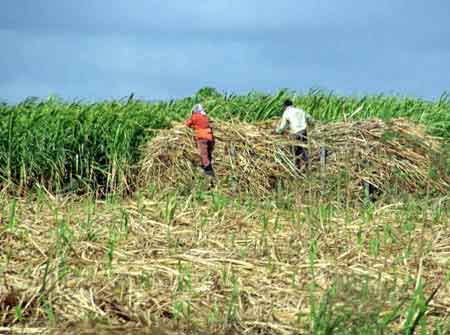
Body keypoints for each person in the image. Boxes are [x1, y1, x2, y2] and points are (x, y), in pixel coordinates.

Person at [275, 99, 313, 167]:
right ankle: (307, 165)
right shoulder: (300, 110)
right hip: (304, 132)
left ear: (285, 106)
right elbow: (310, 119)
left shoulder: (286, 112)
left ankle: (296, 167)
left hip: (296, 133)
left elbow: (283, 126)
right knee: (303, 149)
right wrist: (312, 126)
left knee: (293, 150)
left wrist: (277, 131)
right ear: (292, 105)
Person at [185, 104, 215, 176]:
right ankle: (207, 164)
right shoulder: (205, 116)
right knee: (208, 153)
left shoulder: (195, 116)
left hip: (202, 137)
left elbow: (188, 123)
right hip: (209, 136)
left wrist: (191, 125)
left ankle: (208, 170)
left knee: (203, 153)